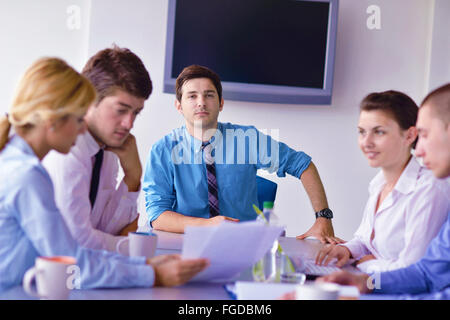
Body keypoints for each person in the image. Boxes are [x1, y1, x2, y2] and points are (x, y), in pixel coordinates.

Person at [0, 57, 208, 292]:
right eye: (79, 119)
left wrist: (144, 265)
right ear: (52, 120)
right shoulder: (26, 175)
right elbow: (73, 261)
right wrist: (152, 273)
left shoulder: (20, 165)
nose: (82, 130)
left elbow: (91, 242)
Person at [143, 64, 343, 243]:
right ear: (179, 106)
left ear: (221, 103)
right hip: (185, 244)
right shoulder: (162, 151)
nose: (201, 102)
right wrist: (207, 225)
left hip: (243, 245)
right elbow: (157, 216)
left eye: (209, 95)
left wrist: (323, 217)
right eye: (192, 96)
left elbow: (302, 164)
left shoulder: (247, 139)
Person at [318, 83, 450, 299]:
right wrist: (365, 281)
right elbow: (426, 274)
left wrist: (368, 272)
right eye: (361, 132)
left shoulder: (433, 187)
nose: (420, 149)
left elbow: (422, 278)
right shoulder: (378, 182)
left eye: (425, 135)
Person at [43, 46, 151, 252]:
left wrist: (133, 176)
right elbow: (77, 244)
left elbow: (105, 229)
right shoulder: (67, 150)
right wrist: (131, 249)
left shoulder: (106, 150)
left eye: (136, 113)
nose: (129, 124)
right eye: (121, 110)